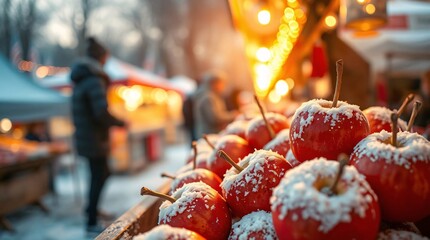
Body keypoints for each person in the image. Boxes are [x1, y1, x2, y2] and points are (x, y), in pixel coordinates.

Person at [71, 37, 125, 235]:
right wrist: (120, 122)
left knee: (99, 175)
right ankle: (91, 220)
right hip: (94, 139)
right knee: (99, 176)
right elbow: (100, 112)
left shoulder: (83, 79)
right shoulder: (94, 79)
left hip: (87, 137)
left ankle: (91, 209)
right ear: (101, 58)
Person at [193, 72, 237, 138]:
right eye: (221, 83)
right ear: (214, 84)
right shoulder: (208, 98)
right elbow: (215, 118)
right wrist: (233, 115)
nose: (223, 86)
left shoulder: (213, 96)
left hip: (212, 133)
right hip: (209, 134)